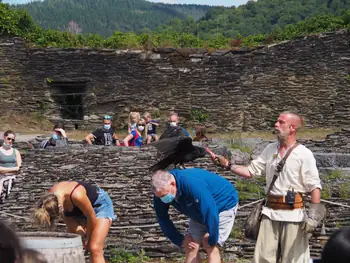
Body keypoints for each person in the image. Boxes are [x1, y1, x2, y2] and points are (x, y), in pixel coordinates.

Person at [213, 111, 323, 263]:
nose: (276, 124)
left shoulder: (304, 154)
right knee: (263, 259)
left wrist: (312, 218)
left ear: (292, 127)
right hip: (269, 213)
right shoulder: (270, 149)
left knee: (294, 260)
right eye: (277, 121)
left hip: (294, 215)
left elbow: (315, 187)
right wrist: (227, 165)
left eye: (281, 122)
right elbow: (250, 171)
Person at [151, 168, 239, 263]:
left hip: (223, 204)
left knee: (210, 246)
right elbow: (162, 217)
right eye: (160, 197)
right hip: (197, 210)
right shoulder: (160, 192)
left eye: (165, 195)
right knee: (191, 246)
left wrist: (212, 237)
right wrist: (180, 240)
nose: (164, 199)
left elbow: (209, 209)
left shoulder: (192, 185)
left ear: (172, 184)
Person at [34, 181, 116, 263]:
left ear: (61, 207)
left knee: (94, 248)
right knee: (68, 245)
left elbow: (91, 217)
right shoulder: (48, 200)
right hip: (78, 210)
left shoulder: (77, 195)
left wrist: (88, 237)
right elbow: (68, 220)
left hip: (99, 207)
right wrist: (80, 233)